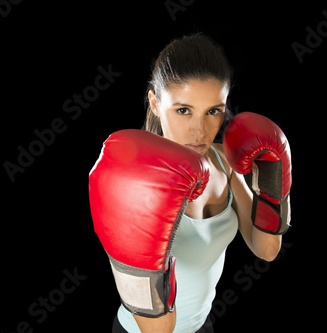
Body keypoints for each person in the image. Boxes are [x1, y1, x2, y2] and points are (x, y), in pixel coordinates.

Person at [89, 33, 292, 333]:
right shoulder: (135, 181)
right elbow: (156, 329)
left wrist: (272, 179)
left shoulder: (226, 162)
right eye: (183, 110)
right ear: (155, 103)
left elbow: (267, 250)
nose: (200, 130)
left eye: (213, 111)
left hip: (202, 326)